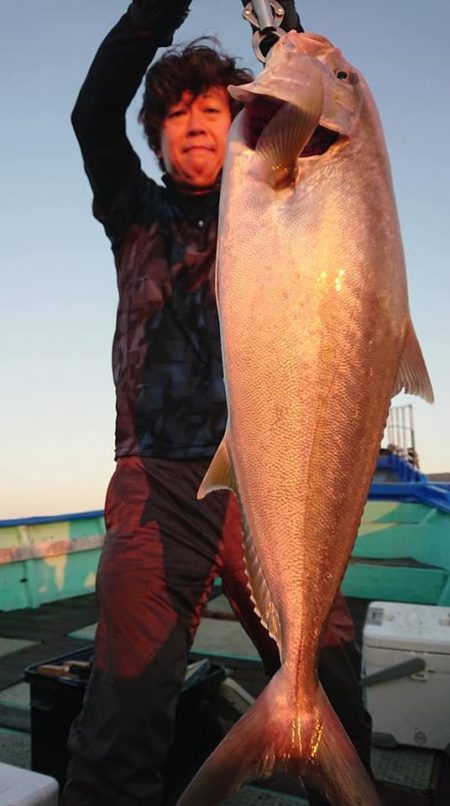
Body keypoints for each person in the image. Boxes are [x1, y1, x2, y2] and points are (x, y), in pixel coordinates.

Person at [62, 2, 372, 804]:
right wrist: (160, 8)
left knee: (328, 671)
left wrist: (283, 35)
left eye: (213, 107)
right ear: (156, 136)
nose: (197, 123)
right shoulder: (137, 214)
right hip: (160, 477)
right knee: (122, 706)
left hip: (281, 475)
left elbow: (315, 119)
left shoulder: (278, 189)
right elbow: (93, 110)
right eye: (176, 113)